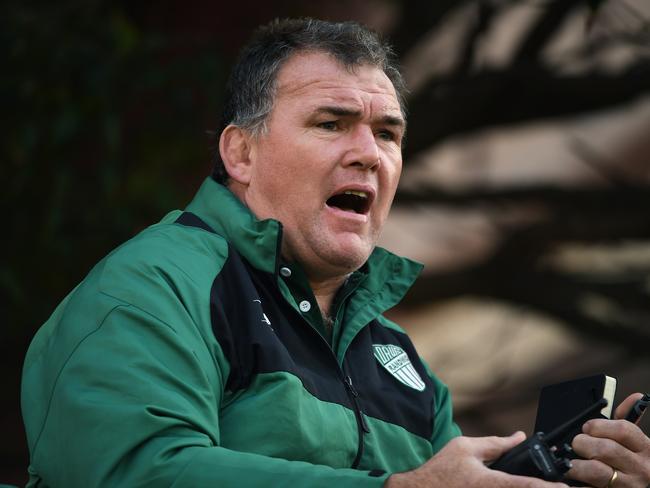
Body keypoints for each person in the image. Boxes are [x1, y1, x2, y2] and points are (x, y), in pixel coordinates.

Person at [21, 17, 649, 488]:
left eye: (387, 133)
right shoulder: (151, 288)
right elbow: (134, 473)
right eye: (331, 123)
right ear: (240, 153)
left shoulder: (402, 362)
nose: (369, 153)